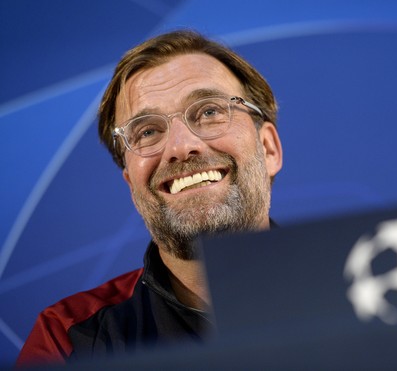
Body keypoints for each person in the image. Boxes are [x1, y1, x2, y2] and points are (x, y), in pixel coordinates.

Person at [16, 29, 283, 366]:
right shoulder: (69, 339)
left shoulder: (361, 289)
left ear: (268, 148)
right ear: (131, 184)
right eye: (148, 131)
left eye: (209, 111)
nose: (181, 147)